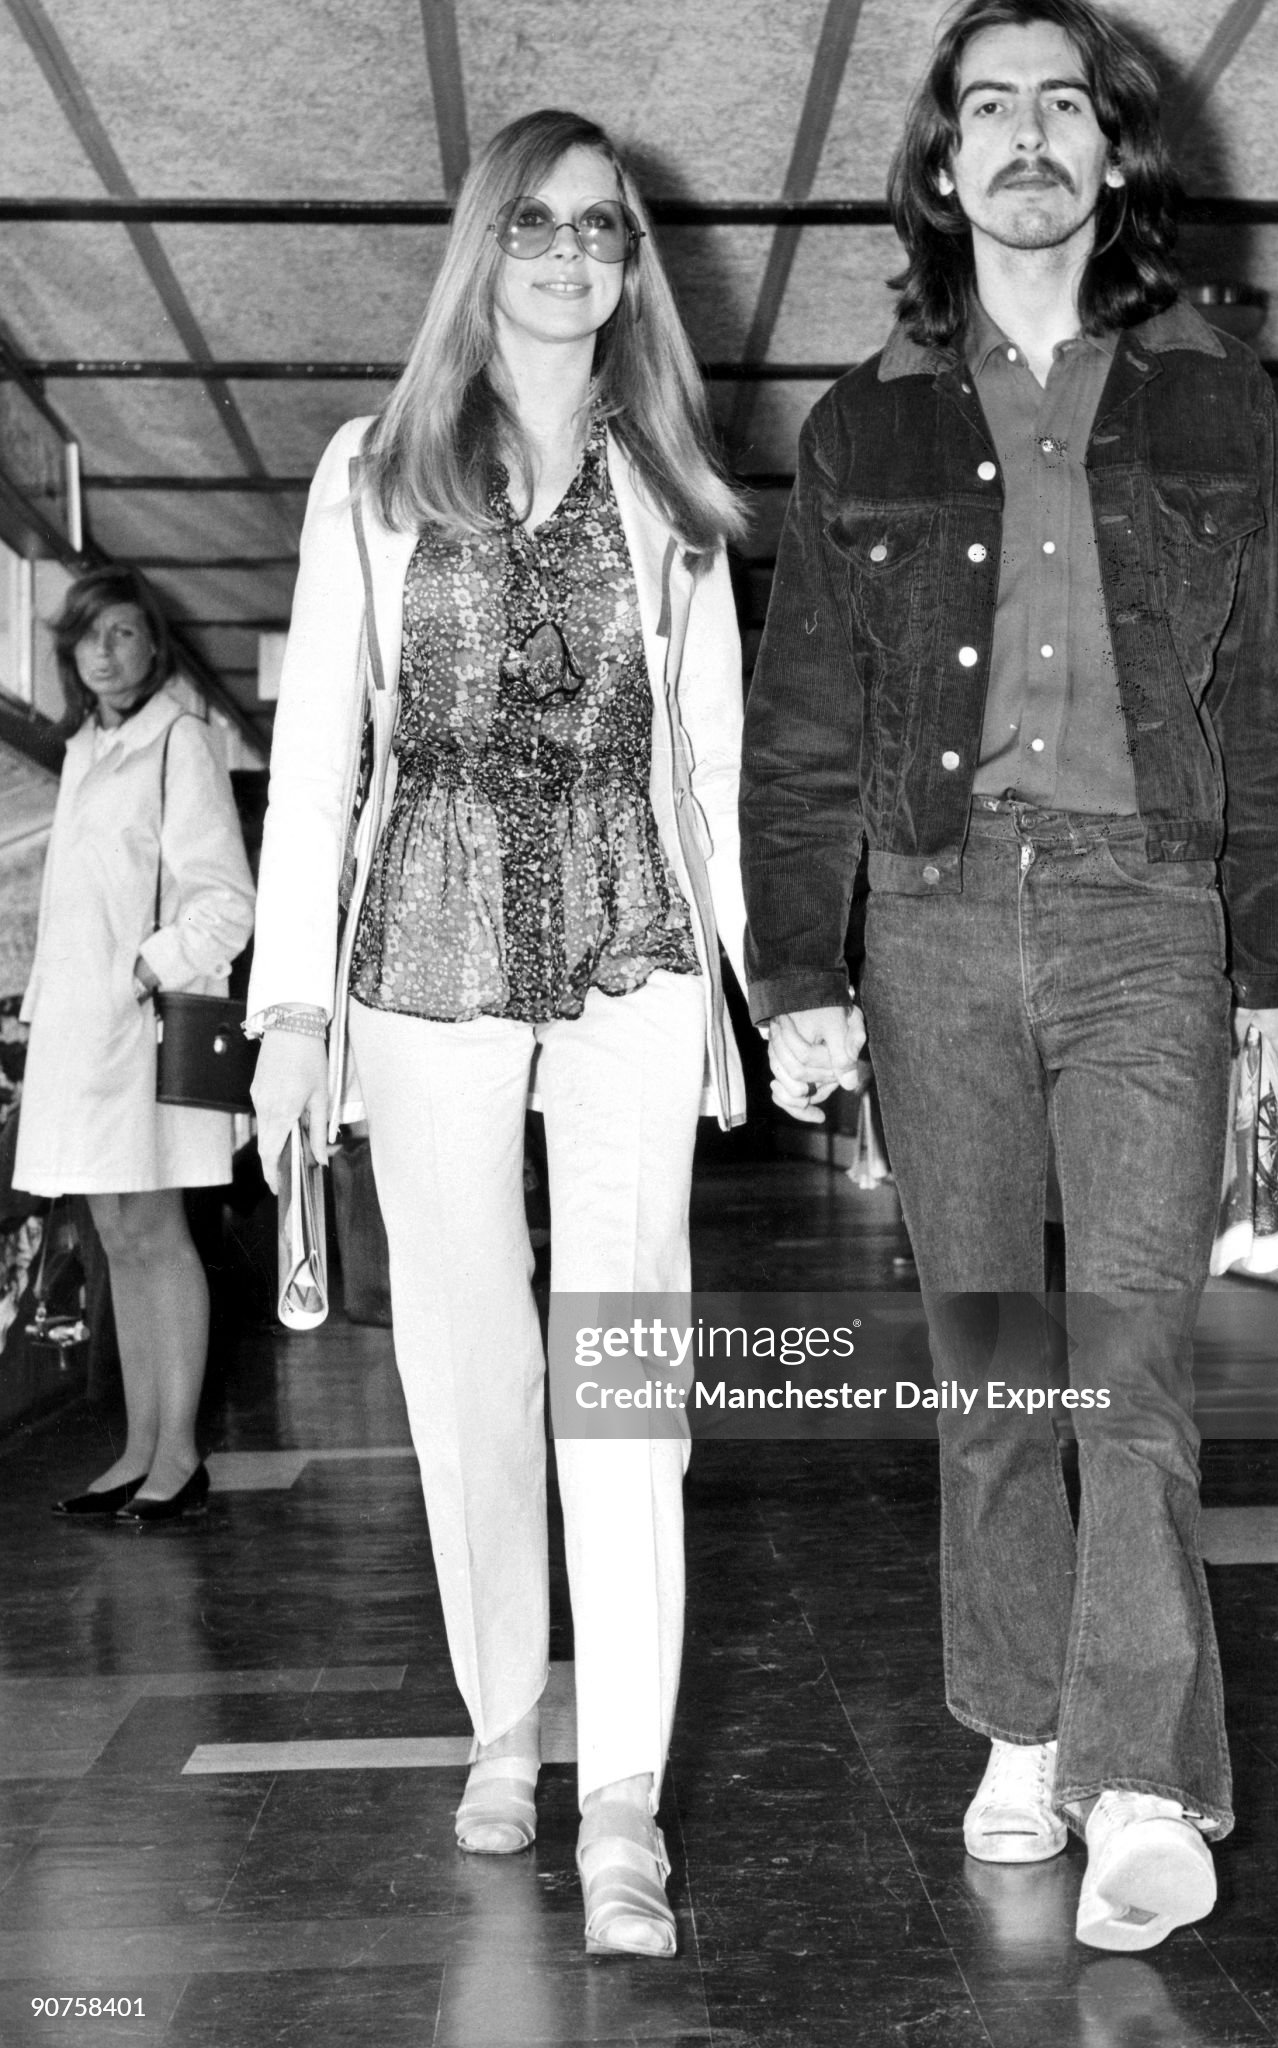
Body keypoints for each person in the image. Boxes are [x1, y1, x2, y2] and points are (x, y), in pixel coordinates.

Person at [740, 0, 1278, 1952]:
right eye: (987, 107)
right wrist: (797, 961)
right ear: (942, 165)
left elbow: (1267, 702)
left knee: (1128, 1363)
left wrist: (1276, 971)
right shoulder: (862, 425)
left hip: (1146, 912)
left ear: (1111, 156)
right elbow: (804, 711)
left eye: (1063, 104)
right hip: (927, 918)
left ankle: (1142, 1776)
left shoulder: (1217, 402)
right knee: (996, 1365)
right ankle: (1016, 1721)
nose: (1026, 135)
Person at [247, 108, 746, 1958]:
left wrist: (738, 988)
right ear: (483, 248)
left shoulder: (676, 496)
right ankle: (501, 1722)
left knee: (623, 1372)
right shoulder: (368, 472)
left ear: (629, 266)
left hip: (629, 949)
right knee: (465, 1371)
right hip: (418, 951)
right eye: (528, 225)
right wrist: (289, 1008)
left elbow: (709, 763)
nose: (561, 256)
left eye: (595, 230)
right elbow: (319, 765)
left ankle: (622, 1788)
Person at [17, 564, 255, 1524]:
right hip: (81, 1041)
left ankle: (180, 1455)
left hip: (144, 1030)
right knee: (117, 1240)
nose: (107, 653)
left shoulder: (181, 744)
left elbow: (225, 903)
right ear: (70, 655)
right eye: (90, 637)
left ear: (153, 647)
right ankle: (139, 1447)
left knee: (156, 1236)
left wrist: (140, 973)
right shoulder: (83, 753)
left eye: (124, 634)